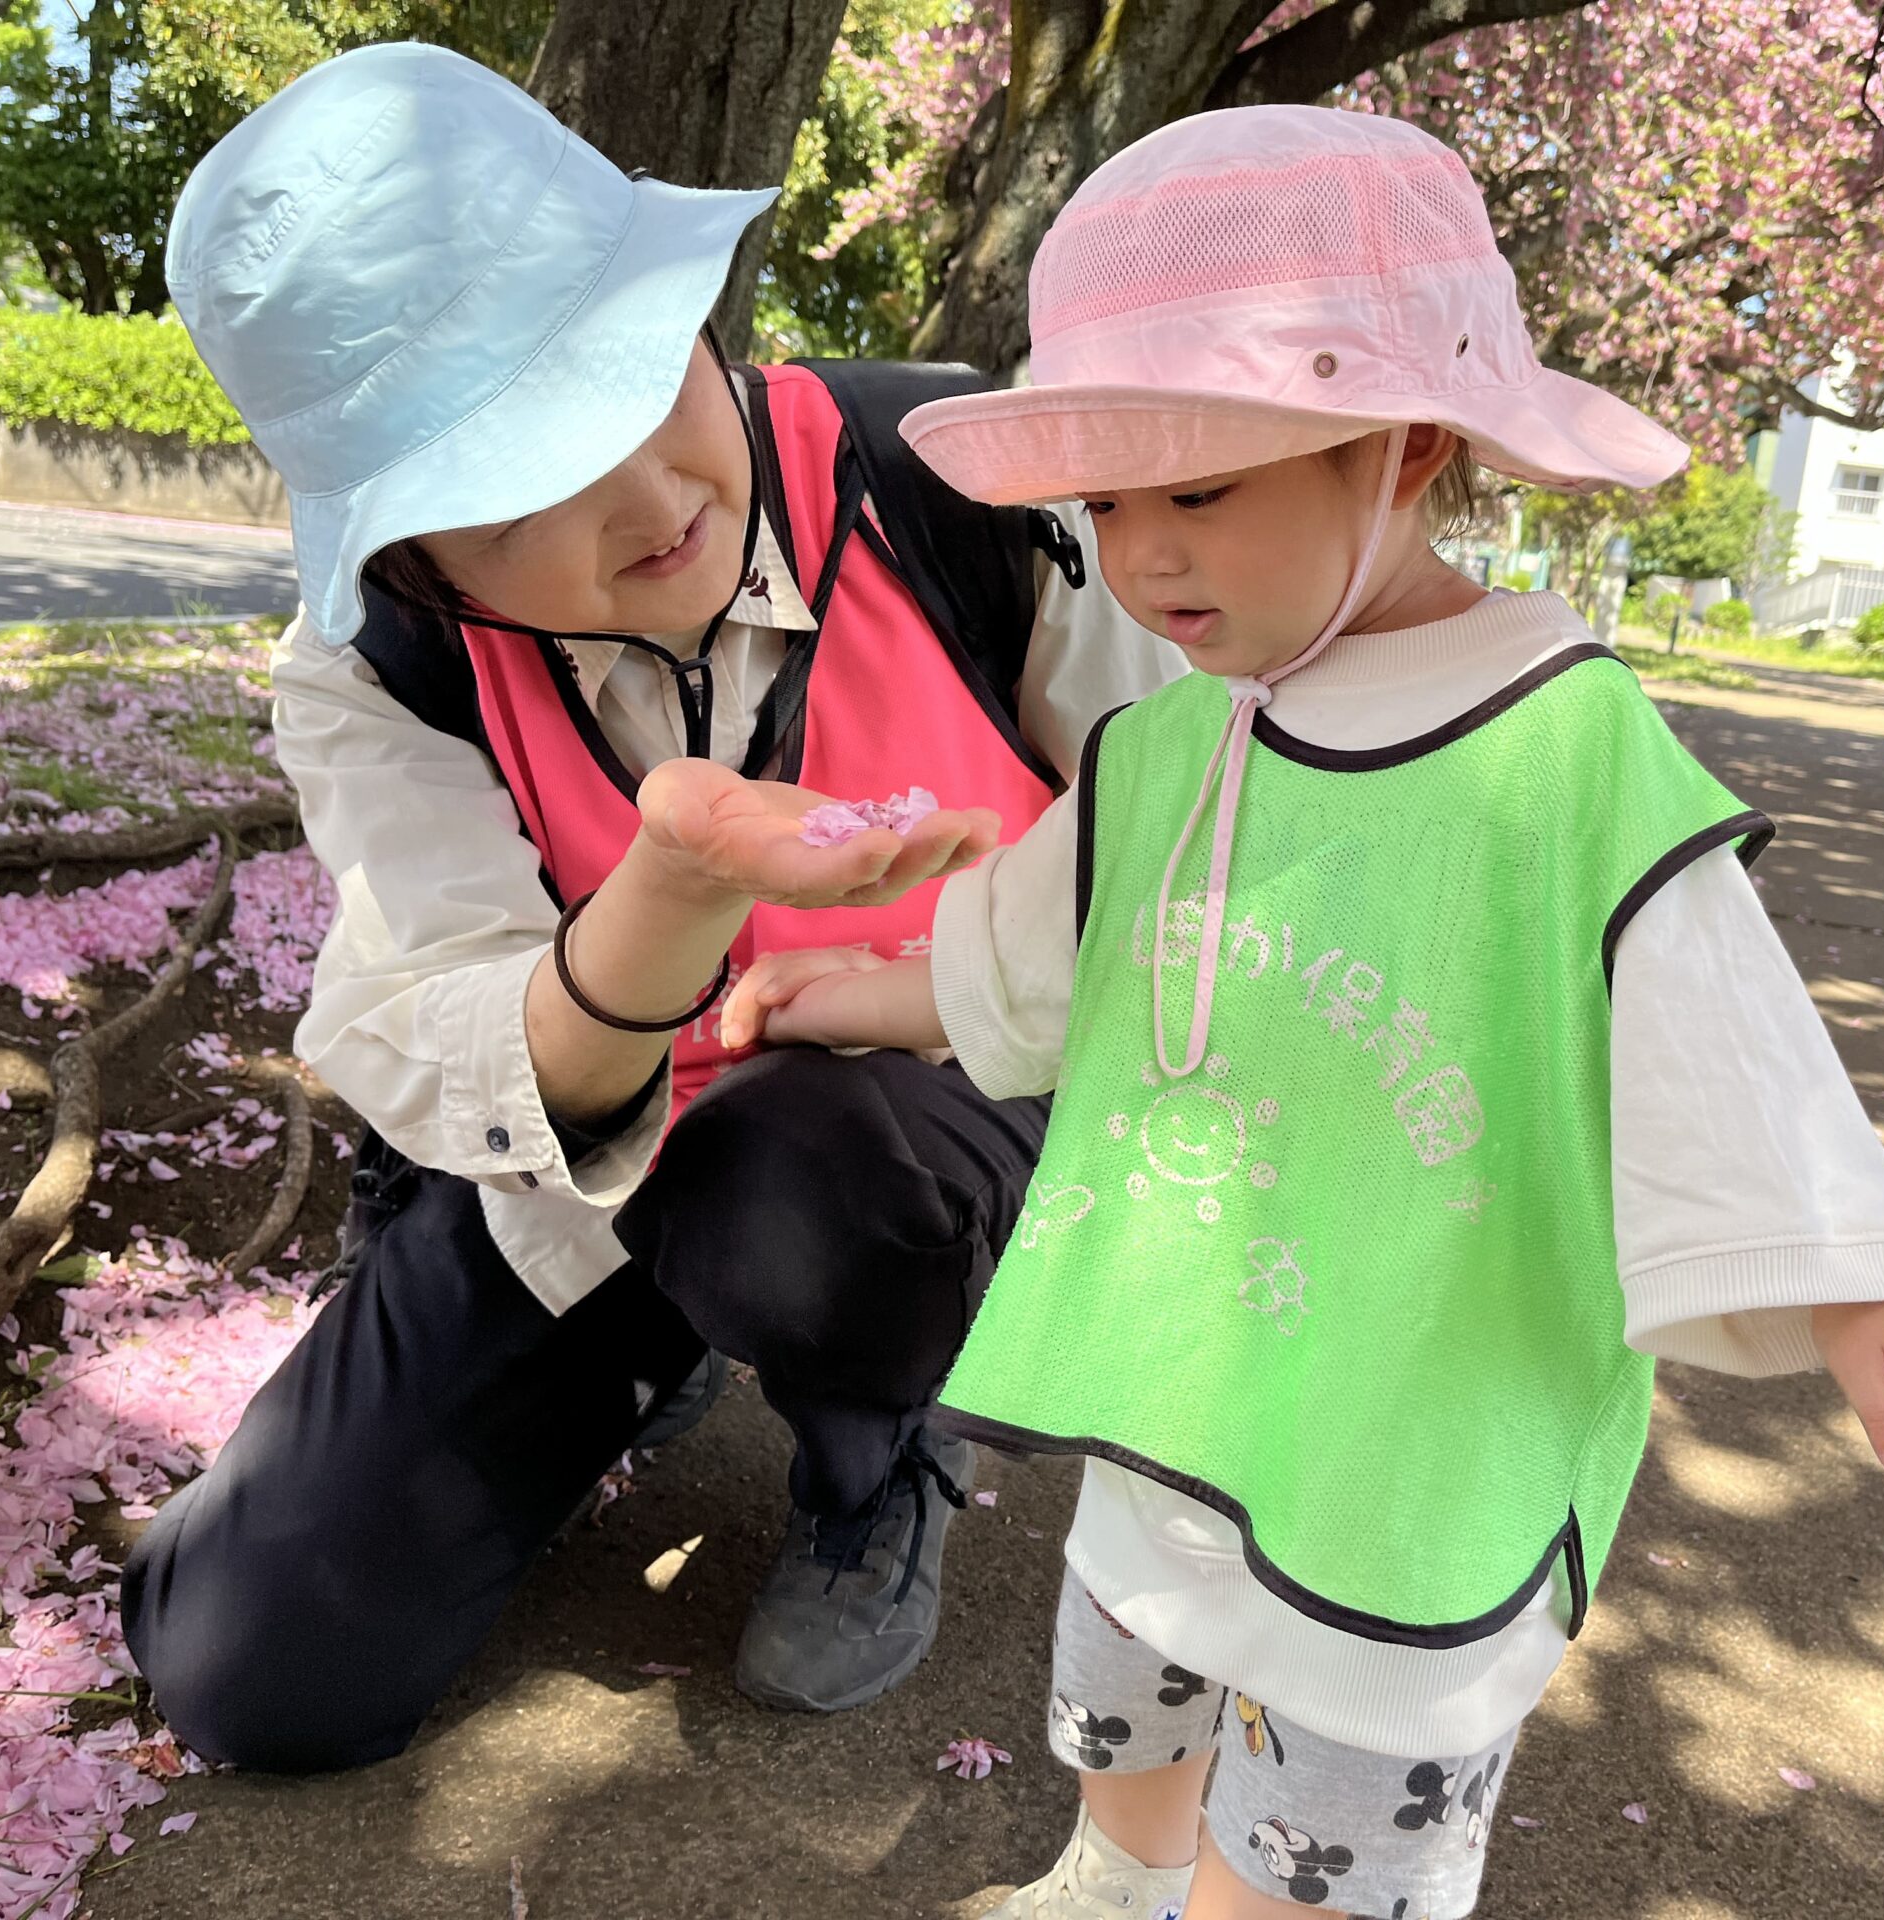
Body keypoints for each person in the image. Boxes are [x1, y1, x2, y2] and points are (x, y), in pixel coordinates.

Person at [718, 107, 1884, 1919]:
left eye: (1202, 488)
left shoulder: (1565, 752)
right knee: (1137, 1696)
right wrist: (852, 989)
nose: (1147, 557)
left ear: (1404, 447)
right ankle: (1115, 1883)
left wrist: (1864, 1285)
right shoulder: (1169, 741)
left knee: (1324, 1802)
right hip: (1188, 1344)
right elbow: (1032, 952)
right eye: (1109, 505)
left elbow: (1722, 1034)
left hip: (1425, 1382)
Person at [119, 42, 1180, 1770]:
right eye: (511, 485)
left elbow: (1195, 844)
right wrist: (674, 884)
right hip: (585, 1157)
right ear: (412, 559)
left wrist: (937, 985)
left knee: (799, 1187)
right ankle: (670, 1332)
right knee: (258, 1661)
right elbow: (459, 1019)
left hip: (933, 1126)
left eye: (634, 376)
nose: (647, 501)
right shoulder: (376, 669)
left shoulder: (959, 483)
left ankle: (873, 1446)